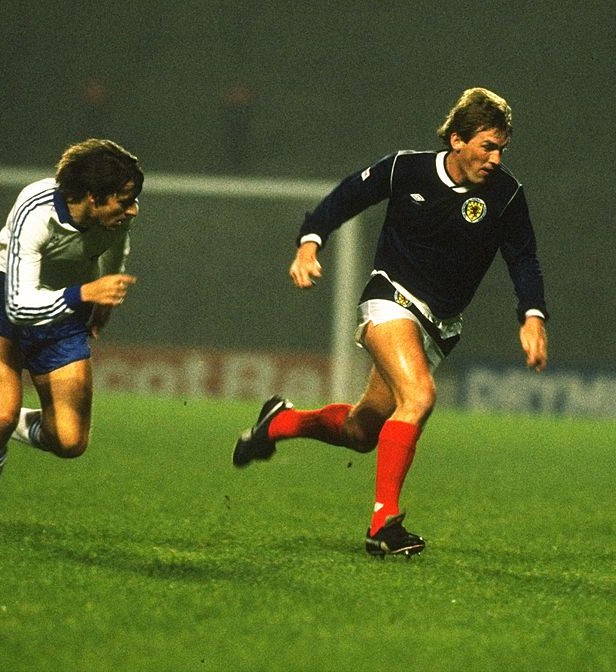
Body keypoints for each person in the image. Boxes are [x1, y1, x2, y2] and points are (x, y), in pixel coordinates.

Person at [233, 88, 549, 557]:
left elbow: (524, 258)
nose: (496, 158)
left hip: (440, 324)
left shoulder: (506, 195)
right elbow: (346, 197)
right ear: (458, 140)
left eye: (502, 148)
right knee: (419, 396)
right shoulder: (408, 168)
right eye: (488, 146)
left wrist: (532, 316)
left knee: (363, 432)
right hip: (391, 299)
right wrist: (309, 241)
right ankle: (384, 523)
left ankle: (278, 424)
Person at [0, 138, 144, 537]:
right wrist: (85, 294)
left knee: (70, 441)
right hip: (4, 297)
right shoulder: (35, 211)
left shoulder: (116, 216)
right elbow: (20, 305)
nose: (133, 209)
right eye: (124, 201)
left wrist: (102, 291)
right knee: (4, 415)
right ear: (92, 197)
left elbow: (114, 247)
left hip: (66, 304)